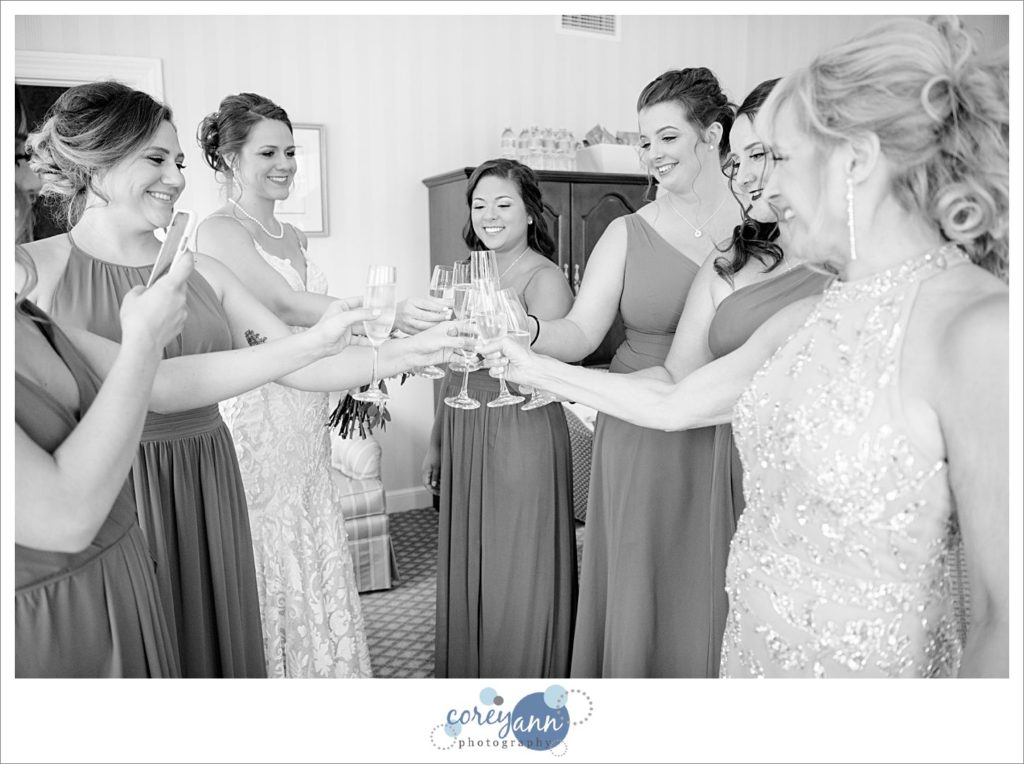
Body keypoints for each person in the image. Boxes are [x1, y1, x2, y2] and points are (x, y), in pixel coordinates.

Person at [492, 15, 1008, 677]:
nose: (758, 189)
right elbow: (678, 402)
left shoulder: (978, 329)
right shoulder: (816, 310)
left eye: (778, 159)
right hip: (755, 656)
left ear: (856, 161)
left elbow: (1006, 625)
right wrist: (527, 364)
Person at [22, 81, 460, 678]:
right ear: (95, 160)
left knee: (218, 641)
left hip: (208, 472)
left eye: (177, 162)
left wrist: (416, 349)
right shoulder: (33, 271)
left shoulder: (199, 268)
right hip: (116, 478)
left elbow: (305, 362)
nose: (176, 179)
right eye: (155, 159)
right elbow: (158, 381)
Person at [194, 93, 433, 678]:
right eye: (268, 152)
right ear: (228, 159)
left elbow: (306, 314)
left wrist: (367, 338)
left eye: (291, 151)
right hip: (259, 398)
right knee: (268, 539)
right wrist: (383, 316)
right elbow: (279, 302)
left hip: (304, 411)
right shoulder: (219, 231)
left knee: (311, 527)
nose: (285, 164)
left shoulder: (293, 234)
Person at [528, 68, 739, 677]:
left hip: (730, 417)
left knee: (726, 576)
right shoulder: (626, 231)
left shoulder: (765, 225)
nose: (652, 154)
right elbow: (579, 334)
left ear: (713, 135)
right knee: (647, 580)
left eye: (667, 137)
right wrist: (526, 335)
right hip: (644, 428)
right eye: (644, 141)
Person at [699, 78, 834, 674]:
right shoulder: (733, 257)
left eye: (762, 155)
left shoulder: (847, 274)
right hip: (733, 466)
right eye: (739, 160)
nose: (749, 176)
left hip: (816, 495)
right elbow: (681, 388)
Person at [424, 158, 577, 678]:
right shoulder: (466, 272)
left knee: (517, 558)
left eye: (503, 204)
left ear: (530, 213)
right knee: (474, 555)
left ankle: (524, 675)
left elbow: (551, 368)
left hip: (521, 425)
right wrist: (438, 442)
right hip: (466, 422)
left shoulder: (545, 278)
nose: (489, 215)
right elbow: (450, 365)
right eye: (479, 204)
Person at [15, 246, 190, 677]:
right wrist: (145, 341)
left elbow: (164, 386)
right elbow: (65, 516)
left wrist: (320, 344)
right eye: (16, 175)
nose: (34, 184)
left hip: (122, 578)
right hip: (51, 624)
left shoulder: (25, 315)